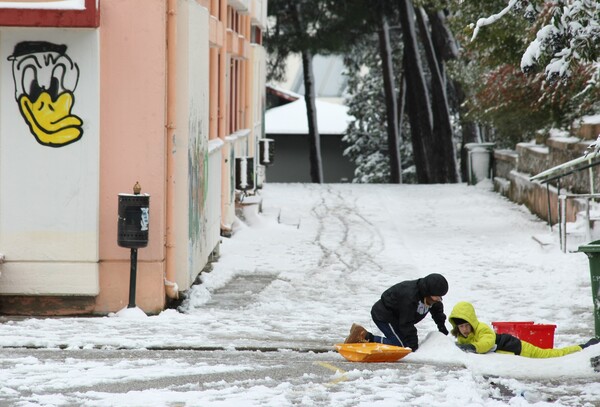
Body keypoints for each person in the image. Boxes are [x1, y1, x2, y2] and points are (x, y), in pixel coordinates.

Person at [449, 301, 600, 358]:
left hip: (514, 345)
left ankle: (585, 346)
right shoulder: (462, 337)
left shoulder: (482, 328)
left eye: (466, 325)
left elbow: (487, 343)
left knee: (550, 355)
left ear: (472, 322)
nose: (464, 329)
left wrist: (473, 347)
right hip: (507, 348)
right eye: (461, 326)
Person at [344, 273, 449, 351]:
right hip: (384, 315)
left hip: (398, 318)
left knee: (406, 344)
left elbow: (437, 312)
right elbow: (407, 322)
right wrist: (413, 345)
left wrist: (442, 328)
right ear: (428, 292)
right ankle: (364, 336)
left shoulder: (432, 298)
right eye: (437, 296)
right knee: (402, 346)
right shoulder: (410, 297)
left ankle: (364, 336)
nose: (439, 299)